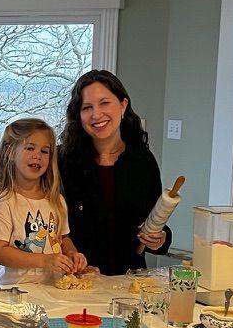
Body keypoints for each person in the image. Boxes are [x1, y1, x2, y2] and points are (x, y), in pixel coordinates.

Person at [58, 69, 170, 277]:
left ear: (123, 105)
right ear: (78, 115)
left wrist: (159, 239)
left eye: (104, 103)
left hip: (128, 281)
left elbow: (153, 221)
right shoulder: (62, 161)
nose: (96, 114)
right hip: (74, 281)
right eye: (87, 107)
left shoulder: (143, 162)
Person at [0, 118, 88, 287]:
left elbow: (63, 238)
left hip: (53, 288)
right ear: (10, 152)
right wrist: (44, 260)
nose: (37, 156)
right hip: (13, 292)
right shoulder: (5, 202)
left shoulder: (57, 201)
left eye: (44, 151)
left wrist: (72, 254)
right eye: (30, 148)